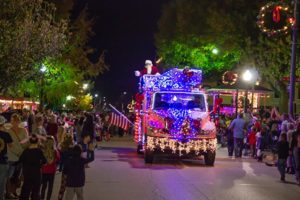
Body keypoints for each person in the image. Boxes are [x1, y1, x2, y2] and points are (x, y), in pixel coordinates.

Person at [6, 113, 28, 199]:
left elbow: (26, 142)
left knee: (17, 176)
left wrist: (22, 150)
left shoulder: (23, 130)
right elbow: (9, 145)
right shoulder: (8, 131)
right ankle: (8, 193)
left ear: (19, 121)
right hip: (12, 157)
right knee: (9, 177)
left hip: (21, 157)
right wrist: (19, 152)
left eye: (16, 120)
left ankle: (13, 191)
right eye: (13, 121)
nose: (14, 122)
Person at [19, 134, 47, 200]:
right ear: (37, 141)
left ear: (29, 141)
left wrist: (28, 138)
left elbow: (20, 160)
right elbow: (45, 161)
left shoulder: (26, 151)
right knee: (36, 191)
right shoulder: (39, 151)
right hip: (36, 173)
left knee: (26, 190)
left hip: (27, 173)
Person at [41, 136, 60, 200]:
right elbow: (58, 158)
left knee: (44, 186)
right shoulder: (55, 151)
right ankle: (48, 198)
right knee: (50, 186)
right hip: (52, 171)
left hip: (44, 170)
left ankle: (42, 197)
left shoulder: (43, 151)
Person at [0, 116, 13, 200]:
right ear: (3, 124)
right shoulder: (6, 134)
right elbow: (11, 145)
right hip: (3, 161)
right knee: (2, 182)